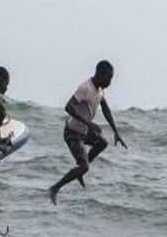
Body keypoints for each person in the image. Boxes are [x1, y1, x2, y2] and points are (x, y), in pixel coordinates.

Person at [48, 60, 128, 205]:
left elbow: (105, 108)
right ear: (100, 74)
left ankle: (80, 172)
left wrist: (116, 131)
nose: (110, 82)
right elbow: (69, 107)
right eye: (109, 78)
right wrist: (89, 123)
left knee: (102, 142)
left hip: (84, 131)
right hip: (72, 132)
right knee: (84, 167)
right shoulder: (85, 88)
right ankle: (54, 188)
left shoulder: (100, 90)